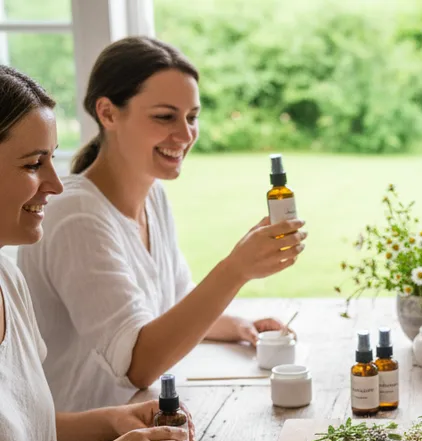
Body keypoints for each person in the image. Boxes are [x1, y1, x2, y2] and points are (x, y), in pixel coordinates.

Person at [19, 37, 307, 411]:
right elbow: (138, 366)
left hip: (137, 433)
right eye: (165, 117)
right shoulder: (76, 216)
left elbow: (175, 301)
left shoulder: (152, 197)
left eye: (192, 117)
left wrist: (237, 326)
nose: (186, 135)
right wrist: (237, 269)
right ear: (107, 113)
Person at [0, 65, 192, 441]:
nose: (55, 185)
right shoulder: (81, 217)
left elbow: (21, 432)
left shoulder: (6, 276)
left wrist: (111, 423)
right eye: (32, 164)